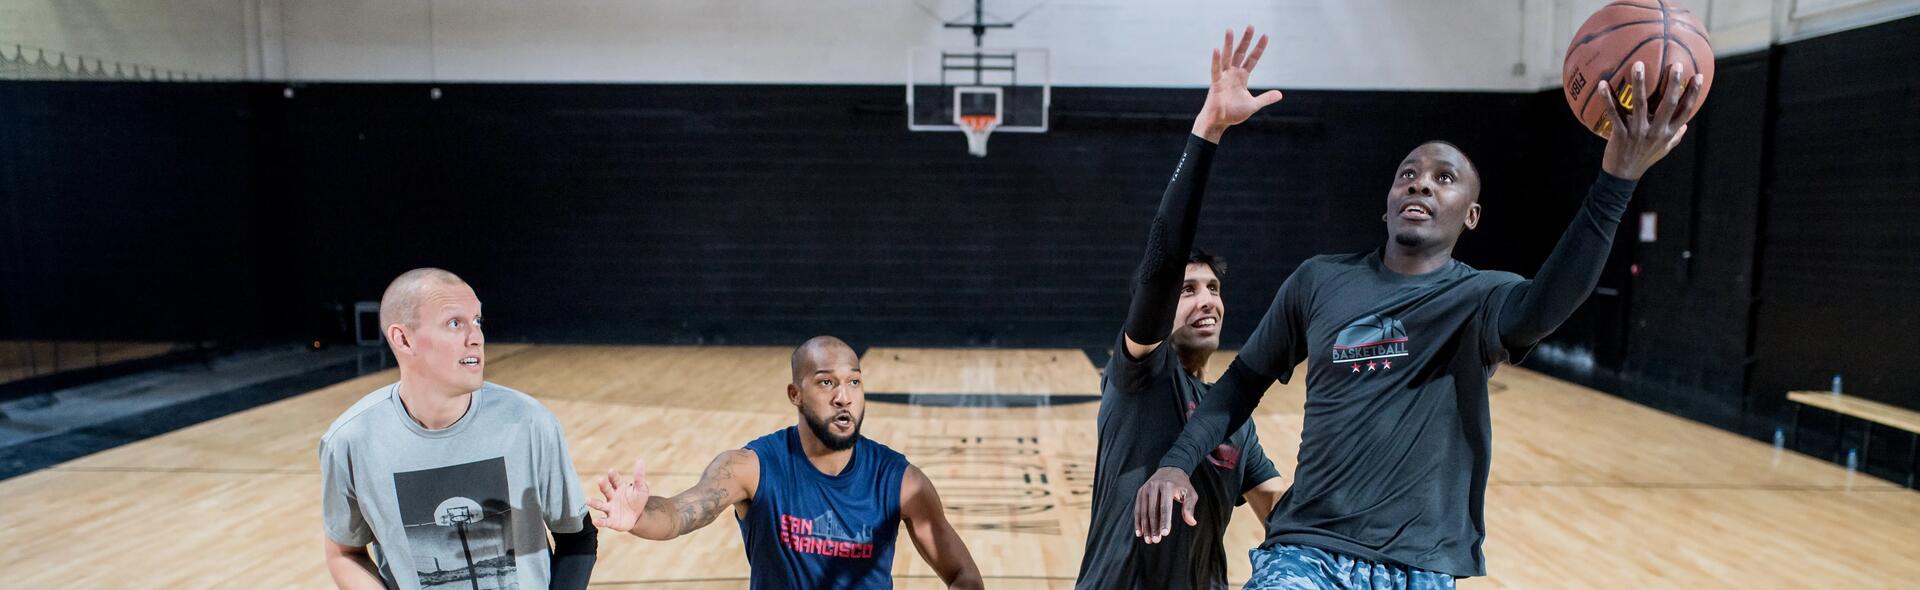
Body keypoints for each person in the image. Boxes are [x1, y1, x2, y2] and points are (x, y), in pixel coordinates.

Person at [1135, 62, 1705, 588]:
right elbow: (1238, 386)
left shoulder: (1482, 297)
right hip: (1308, 547)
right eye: (1408, 174)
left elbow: (1549, 302)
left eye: (1444, 178)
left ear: (1471, 215)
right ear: (1385, 203)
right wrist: (1174, 464)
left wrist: (1617, 180)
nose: (1421, 183)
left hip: (1420, 562)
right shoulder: (1318, 281)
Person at [1077, 26, 1289, 590]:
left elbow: (1279, 509)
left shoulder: (1229, 416)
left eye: (1214, 290)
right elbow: (1162, 261)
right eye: (1188, 290)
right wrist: (1208, 132)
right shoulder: (1140, 376)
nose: (1205, 300)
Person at [590, 336, 984, 589]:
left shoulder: (901, 481)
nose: (843, 396)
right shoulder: (752, 467)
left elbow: (963, 575)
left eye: (854, 382)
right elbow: (683, 511)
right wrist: (641, 516)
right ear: (795, 393)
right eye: (826, 382)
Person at [321, 267, 596, 589]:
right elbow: (345, 553)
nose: (475, 337)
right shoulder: (350, 440)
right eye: (455, 323)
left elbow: (577, 538)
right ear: (403, 338)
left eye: (477, 321)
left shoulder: (530, 423)